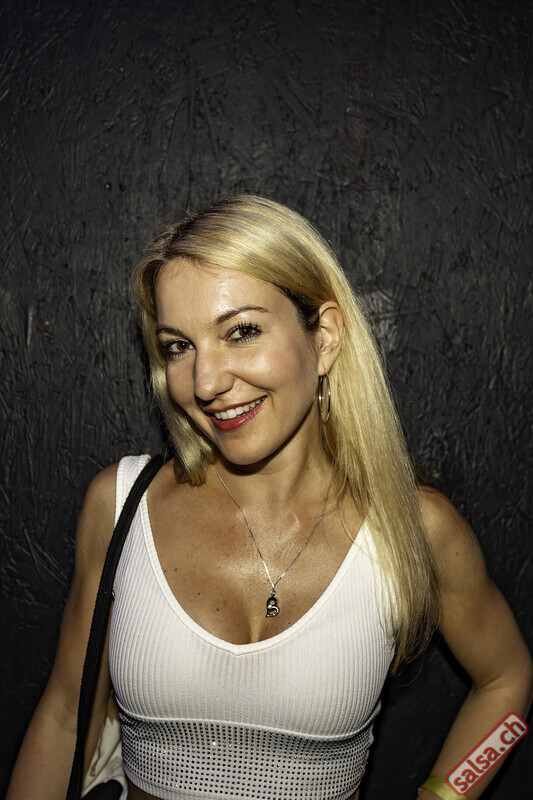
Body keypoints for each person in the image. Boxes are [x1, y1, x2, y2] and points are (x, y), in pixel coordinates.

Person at [7, 195, 533, 800]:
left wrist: (445, 796)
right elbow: (64, 717)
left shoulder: (413, 528)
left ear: (325, 338)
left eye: (242, 332)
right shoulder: (121, 506)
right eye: (178, 346)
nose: (205, 382)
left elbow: (509, 679)